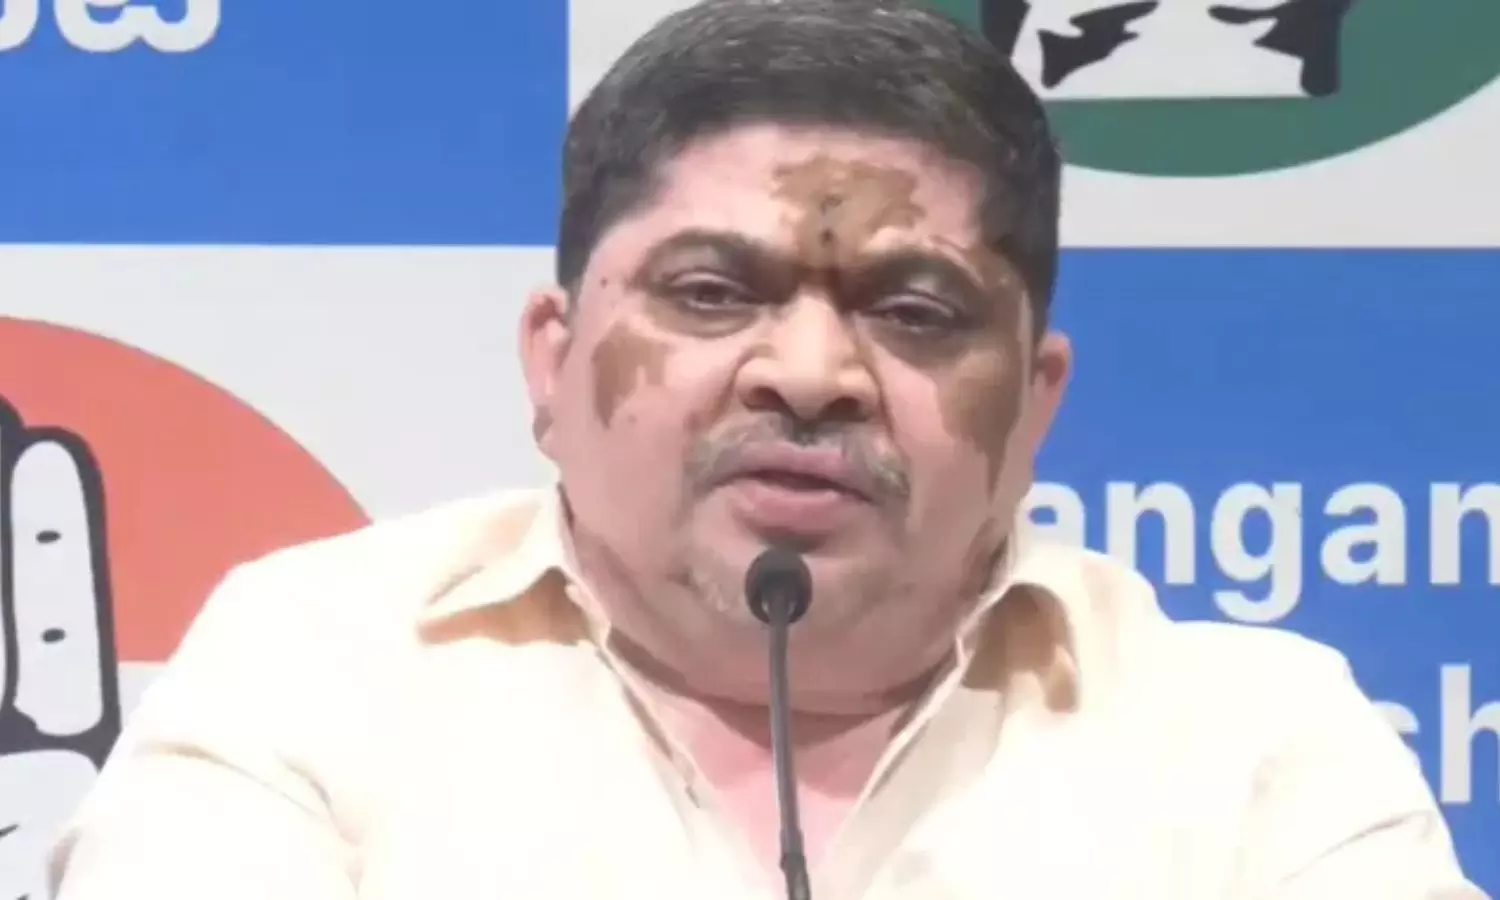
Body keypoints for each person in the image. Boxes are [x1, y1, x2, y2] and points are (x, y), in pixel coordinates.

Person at [47, 1, 1486, 898]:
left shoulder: (1255, 743)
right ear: (552, 359)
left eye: (913, 312)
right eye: (711, 292)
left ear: (1035, 405)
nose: (809, 376)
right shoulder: (318, 665)